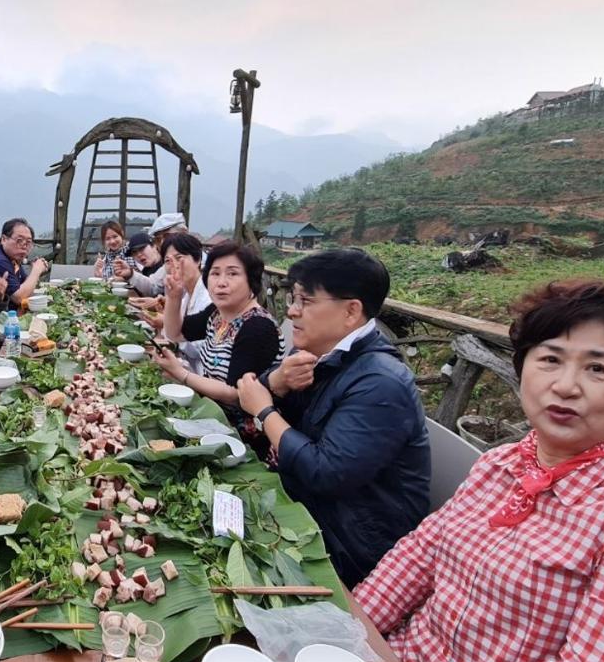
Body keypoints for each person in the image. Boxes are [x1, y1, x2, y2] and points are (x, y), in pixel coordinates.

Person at [352, 279, 604, 662]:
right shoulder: (501, 464)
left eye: (598, 370)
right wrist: (350, 636)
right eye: (549, 359)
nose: (565, 386)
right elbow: (420, 556)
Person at [236, 247, 429, 587]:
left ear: (351, 311)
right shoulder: (320, 353)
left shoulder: (380, 383)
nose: (292, 311)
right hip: (306, 506)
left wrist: (265, 412)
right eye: (294, 299)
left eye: (305, 302)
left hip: (348, 546)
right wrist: (277, 382)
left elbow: (326, 472)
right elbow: (258, 392)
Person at [154, 240, 280, 444]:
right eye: (215, 273)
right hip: (210, 413)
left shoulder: (257, 326)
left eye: (232, 273)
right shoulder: (217, 314)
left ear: (252, 280)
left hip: (238, 434)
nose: (221, 282)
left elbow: (234, 393)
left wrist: (181, 374)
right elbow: (175, 333)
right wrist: (174, 297)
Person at [157, 233, 212, 373]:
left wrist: (174, 344)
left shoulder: (209, 298)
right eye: (167, 261)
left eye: (179, 258)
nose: (174, 266)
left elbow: (198, 349)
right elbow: (171, 333)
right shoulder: (185, 295)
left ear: (198, 259)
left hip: (202, 378)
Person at [0, 217, 49, 303]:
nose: (24, 246)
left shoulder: (13, 258)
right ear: (4, 239)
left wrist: (36, 271)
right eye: (19, 240)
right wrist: (36, 270)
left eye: (28, 242)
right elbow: (19, 298)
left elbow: (25, 286)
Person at [116, 230, 167, 298]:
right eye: (134, 252)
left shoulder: (167, 266)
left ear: (154, 246)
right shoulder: (146, 270)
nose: (139, 255)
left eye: (142, 249)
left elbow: (152, 289)